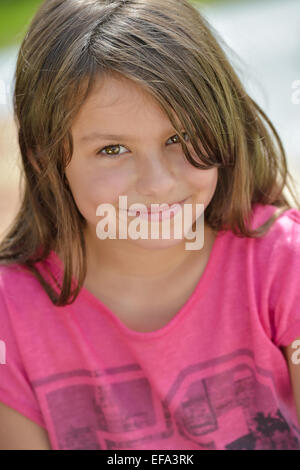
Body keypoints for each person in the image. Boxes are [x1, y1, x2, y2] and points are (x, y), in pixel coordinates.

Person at [0, 0, 300, 451]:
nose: (158, 184)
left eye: (179, 138)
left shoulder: (284, 267)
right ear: (46, 160)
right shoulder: (11, 313)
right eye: (113, 149)